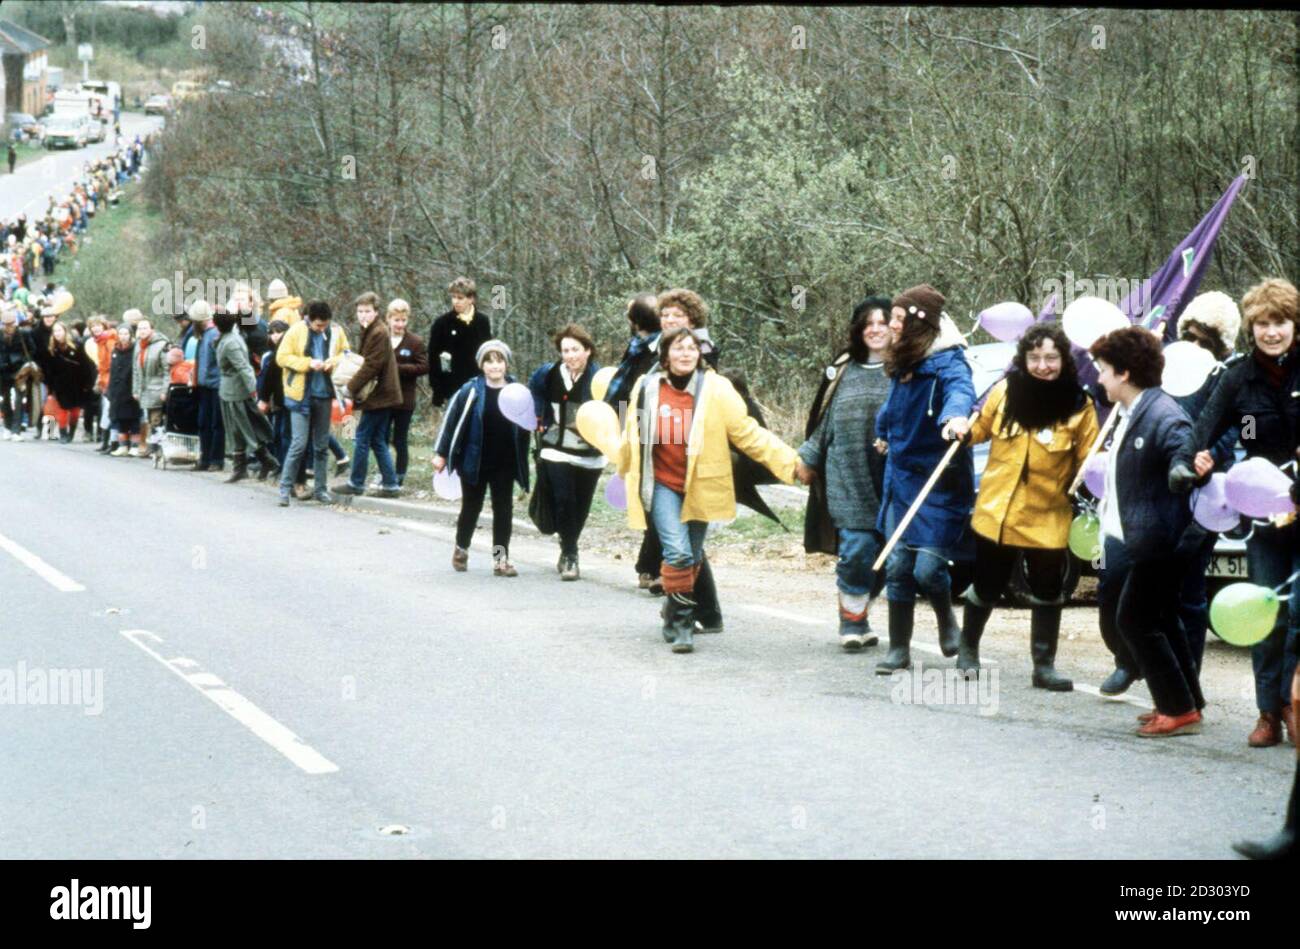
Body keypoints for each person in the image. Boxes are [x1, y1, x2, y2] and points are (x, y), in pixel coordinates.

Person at [617, 326, 806, 653]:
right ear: (665, 354)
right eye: (678, 348)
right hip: (661, 483)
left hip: (701, 486)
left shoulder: (717, 389)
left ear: (700, 353)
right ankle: (681, 624)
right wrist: (621, 462)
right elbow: (629, 429)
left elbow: (748, 433)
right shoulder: (646, 387)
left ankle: (674, 606)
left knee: (690, 559)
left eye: (692, 348)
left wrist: (791, 462)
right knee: (677, 552)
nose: (686, 353)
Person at [1172, 278, 1299, 747]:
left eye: (1280, 323)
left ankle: (1293, 702)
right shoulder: (1239, 376)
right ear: (1250, 328)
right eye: (1262, 324)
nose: (1271, 332)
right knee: (1268, 614)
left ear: (1294, 325)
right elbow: (1204, 431)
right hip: (1264, 513)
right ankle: (1269, 711)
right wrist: (1191, 462)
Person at [955, 322, 1099, 688]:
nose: (1042, 365)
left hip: (1047, 514)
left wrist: (1098, 471)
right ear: (1024, 359)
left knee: (1049, 590)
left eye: (1051, 357)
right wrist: (959, 428)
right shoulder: (1004, 391)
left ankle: (1043, 666)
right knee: (987, 584)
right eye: (1034, 357)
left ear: (1065, 360)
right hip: (998, 510)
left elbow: (1089, 461)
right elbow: (979, 429)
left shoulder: (1080, 406)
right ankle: (967, 650)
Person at [1091, 326, 1203, 737]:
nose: (1099, 378)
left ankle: (1178, 710)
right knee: (1163, 620)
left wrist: (1181, 467)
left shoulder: (1161, 412)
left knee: (1134, 619)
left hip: (1162, 540)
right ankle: (1187, 701)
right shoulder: (1132, 410)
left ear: (1123, 373)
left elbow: (1181, 443)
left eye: (1102, 370)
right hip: (1147, 537)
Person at [873, 285, 976, 674]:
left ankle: (947, 619)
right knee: (898, 566)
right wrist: (883, 433)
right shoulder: (904, 362)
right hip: (900, 482)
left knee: (927, 569)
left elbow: (961, 392)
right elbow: (892, 408)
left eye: (898, 319)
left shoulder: (949, 362)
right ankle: (899, 649)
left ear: (918, 322)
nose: (891, 325)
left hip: (938, 481)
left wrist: (955, 419)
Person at [798, 295, 894, 650]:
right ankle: (851, 622)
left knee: (889, 552)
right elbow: (825, 421)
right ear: (858, 330)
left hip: (890, 476)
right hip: (847, 473)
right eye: (868, 323)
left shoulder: (906, 368)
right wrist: (808, 456)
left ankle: (859, 608)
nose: (875, 329)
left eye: (883, 322)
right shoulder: (843, 368)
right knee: (856, 547)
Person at [1167, 291, 1243, 674]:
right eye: (1190, 338)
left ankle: (1188, 689)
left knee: (1189, 593)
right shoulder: (1162, 370)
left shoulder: (1232, 379)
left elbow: (1243, 427)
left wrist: (1214, 452)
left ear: (1221, 347)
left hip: (1204, 494)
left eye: (1206, 342)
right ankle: (1162, 685)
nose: (1195, 348)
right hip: (1160, 491)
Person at [434, 340, 530, 577]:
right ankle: (461, 548)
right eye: (489, 360)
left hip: (504, 462)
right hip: (474, 460)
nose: (495, 366)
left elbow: (528, 422)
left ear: (506, 364)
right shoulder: (471, 390)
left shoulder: (517, 390)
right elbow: (451, 422)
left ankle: (500, 560)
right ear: (482, 364)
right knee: (471, 507)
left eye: (500, 360)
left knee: (503, 510)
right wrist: (442, 454)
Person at [529, 323, 603, 580]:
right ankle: (571, 554)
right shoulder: (548, 374)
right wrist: (540, 418)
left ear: (588, 351)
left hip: (590, 451)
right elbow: (534, 391)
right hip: (555, 448)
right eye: (565, 350)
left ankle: (567, 545)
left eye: (576, 349)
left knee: (580, 506)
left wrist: (620, 435)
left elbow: (622, 403)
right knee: (563, 499)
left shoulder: (601, 378)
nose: (570, 355)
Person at [606, 294, 665, 593]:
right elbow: (622, 391)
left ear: (635, 322)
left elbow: (619, 391)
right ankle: (651, 566)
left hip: (659, 425)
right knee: (651, 495)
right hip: (643, 423)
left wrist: (617, 423)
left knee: (657, 495)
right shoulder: (639, 349)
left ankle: (650, 566)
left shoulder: (657, 349)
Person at [275, 300, 350, 507]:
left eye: (324, 325)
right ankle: (285, 488)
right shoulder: (295, 331)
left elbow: (345, 353)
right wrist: (307, 364)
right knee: (298, 443)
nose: (321, 329)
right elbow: (281, 358)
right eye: (318, 325)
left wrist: (330, 363)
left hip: (325, 394)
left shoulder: (336, 331)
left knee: (321, 445)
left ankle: (320, 489)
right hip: (301, 396)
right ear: (309, 319)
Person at [334, 292, 402, 497]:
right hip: (382, 394)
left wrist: (350, 388)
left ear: (376, 312)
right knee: (377, 440)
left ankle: (356, 483)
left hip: (379, 394)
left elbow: (371, 366)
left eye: (367, 311)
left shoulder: (378, 332)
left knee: (362, 437)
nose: (363, 315)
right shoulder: (370, 330)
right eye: (360, 311)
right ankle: (390, 484)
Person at [214, 309, 280, 484]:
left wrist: (253, 391)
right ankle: (241, 468)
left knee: (246, 429)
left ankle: (268, 461)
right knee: (235, 430)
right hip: (229, 391)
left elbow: (244, 368)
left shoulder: (231, 342)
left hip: (237, 391)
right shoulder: (230, 338)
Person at [428, 276, 492, 409]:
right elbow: (433, 359)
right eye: (454, 297)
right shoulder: (442, 323)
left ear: (471, 299)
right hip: (452, 387)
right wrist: (437, 390)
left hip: (478, 385)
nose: (456, 301)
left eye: (460, 298)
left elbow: (488, 354)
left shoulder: (483, 322)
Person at [385, 298, 428, 487]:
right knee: (381, 438)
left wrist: (399, 368)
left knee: (399, 438)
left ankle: (400, 474)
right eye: (396, 320)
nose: (400, 324)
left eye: (403, 320)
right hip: (383, 397)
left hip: (405, 398)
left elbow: (424, 366)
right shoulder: (381, 337)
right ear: (388, 319)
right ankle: (386, 473)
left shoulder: (415, 342)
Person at [42, 321, 97, 444]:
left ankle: (71, 431)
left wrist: (88, 383)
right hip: (59, 384)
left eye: (59, 330)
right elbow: (48, 369)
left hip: (77, 382)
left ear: (66, 332)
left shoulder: (77, 346)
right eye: (55, 331)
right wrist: (50, 386)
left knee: (75, 410)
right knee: (62, 408)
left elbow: (86, 366)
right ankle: (62, 433)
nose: (57, 333)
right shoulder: (51, 348)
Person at [190, 300, 226, 472]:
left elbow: (220, 361)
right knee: (204, 422)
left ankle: (216, 459)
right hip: (204, 385)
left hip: (217, 385)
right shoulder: (205, 334)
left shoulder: (213, 334)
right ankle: (205, 458)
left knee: (216, 423)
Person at [131, 317, 171, 460]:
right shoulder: (138, 345)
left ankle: (158, 449)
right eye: (139, 328)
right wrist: (135, 389)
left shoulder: (161, 345)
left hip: (157, 388)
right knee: (148, 419)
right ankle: (152, 447)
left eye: (145, 328)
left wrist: (165, 390)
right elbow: (136, 369)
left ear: (151, 329)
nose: (142, 331)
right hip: (144, 389)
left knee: (156, 420)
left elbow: (167, 370)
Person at [257, 319, 290, 469]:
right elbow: (265, 378)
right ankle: (276, 464)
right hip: (273, 400)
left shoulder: (286, 352)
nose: (275, 336)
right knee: (275, 434)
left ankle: (284, 466)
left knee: (284, 434)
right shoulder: (268, 355)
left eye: (279, 332)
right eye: (272, 333)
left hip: (285, 399)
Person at [107, 323, 143, 456]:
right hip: (117, 390)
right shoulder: (115, 350)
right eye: (120, 333)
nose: (123, 337)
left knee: (134, 419)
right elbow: (112, 371)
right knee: (120, 418)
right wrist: (110, 389)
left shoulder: (135, 349)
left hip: (131, 389)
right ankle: (123, 446)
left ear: (131, 335)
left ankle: (134, 446)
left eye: (126, 334)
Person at [0, 306, 36, 440]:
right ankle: (8, 427)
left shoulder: (23, 334)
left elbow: (32, 350)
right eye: (5, 324)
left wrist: (23, 361)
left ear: (15, 322)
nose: (8, 327)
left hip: (20, 371)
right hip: (2, 371)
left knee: (19, 399)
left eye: (10, 324)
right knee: (4, 400)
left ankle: (16, 430)